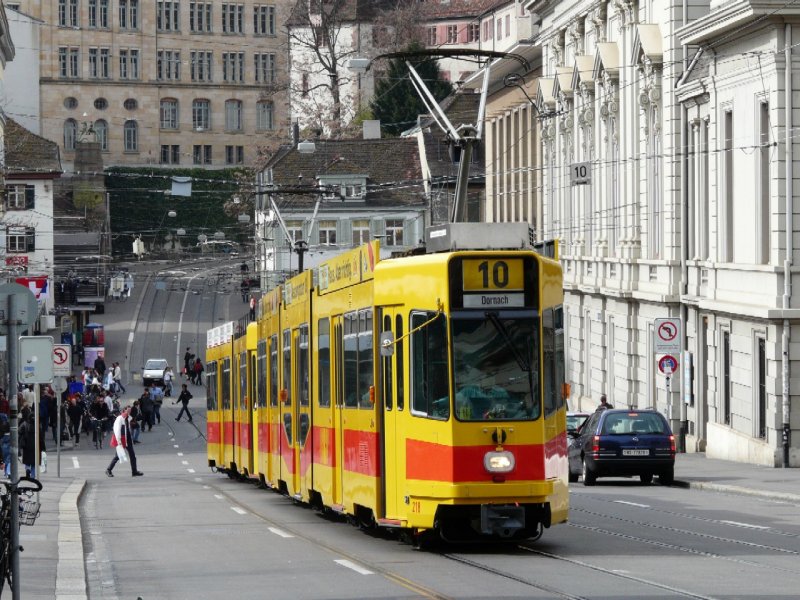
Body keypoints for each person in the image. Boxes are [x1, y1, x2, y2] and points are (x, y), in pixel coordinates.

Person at [106, 407, 143, 477]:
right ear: (124, 410)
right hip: (121, 439)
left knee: (132, 455)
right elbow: (116, 430)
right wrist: (118, 441)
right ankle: (108, 470)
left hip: (127, 438)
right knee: (117, 456)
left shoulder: (128, 418)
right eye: (127, 410)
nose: (129, 412)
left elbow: (128, 428)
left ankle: (134, 471)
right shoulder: (120, 418)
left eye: (130, 411)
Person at [18, 412, 37, 478]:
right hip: (35, 445)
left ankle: (27, 469)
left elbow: (19, 431)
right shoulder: (36, 425)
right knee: (34, 461)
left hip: (26, 444)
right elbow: (41, 437)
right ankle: (33, 475)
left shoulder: (24, 424)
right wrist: (43, 447)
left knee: (27, 459)